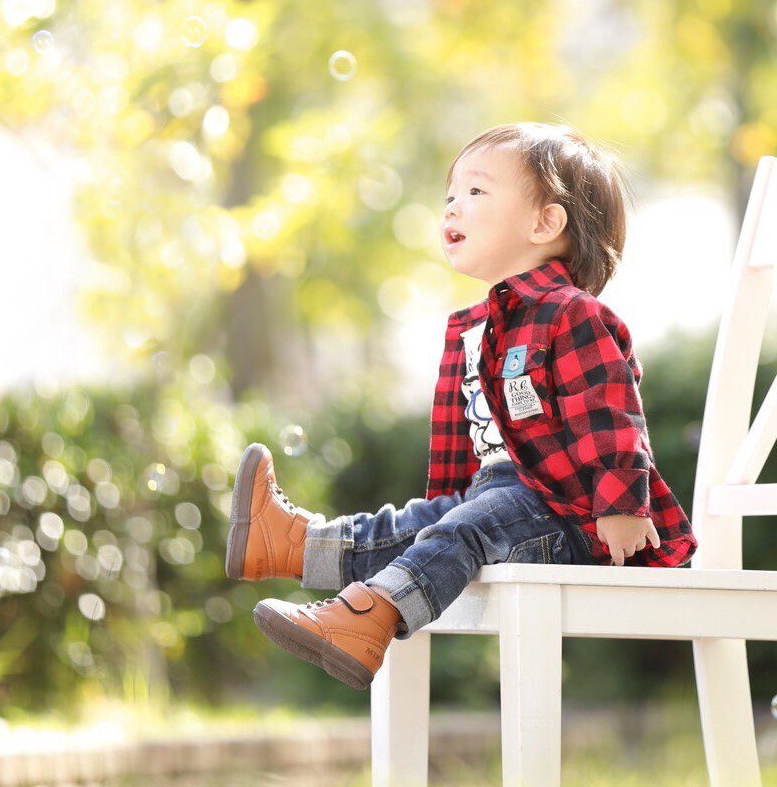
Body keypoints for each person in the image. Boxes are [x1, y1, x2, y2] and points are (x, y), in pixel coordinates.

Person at [224, 122, 697, 690]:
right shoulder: (475, 327)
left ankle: (366, 620)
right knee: (417, 525)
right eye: (450, 195)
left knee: (465, 526)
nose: (453, 207)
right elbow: (467, 467)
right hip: (499, 499)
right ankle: (290, 545)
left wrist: (622, 505)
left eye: (476, 192)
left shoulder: (572, 314)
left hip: (573, 518)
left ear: (546, 222)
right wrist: (442, 507)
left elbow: (611, 414)